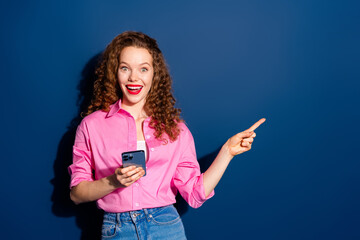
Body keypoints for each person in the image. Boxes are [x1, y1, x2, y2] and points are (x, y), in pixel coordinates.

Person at [68, 31, 266, 240]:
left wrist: (227, 152)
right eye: (125, 68)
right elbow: (76, 194)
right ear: (115, 72)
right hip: (117, 229)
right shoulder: (92, 126)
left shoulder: (175, 129)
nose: (134, 77)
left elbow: (196, 193)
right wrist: (112, 182)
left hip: (165, 226)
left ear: (154, 74)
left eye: (143, 69)